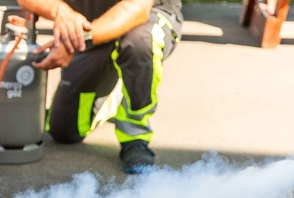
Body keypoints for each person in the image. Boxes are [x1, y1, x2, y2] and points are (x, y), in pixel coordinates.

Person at [18, 0, 183, 173]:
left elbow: (138, 7)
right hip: (91, 25)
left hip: (148, 18)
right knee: (63, 132)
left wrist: (77, 40)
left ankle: (135, 135)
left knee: (139, 43)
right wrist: (60, 11)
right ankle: (115, 93)